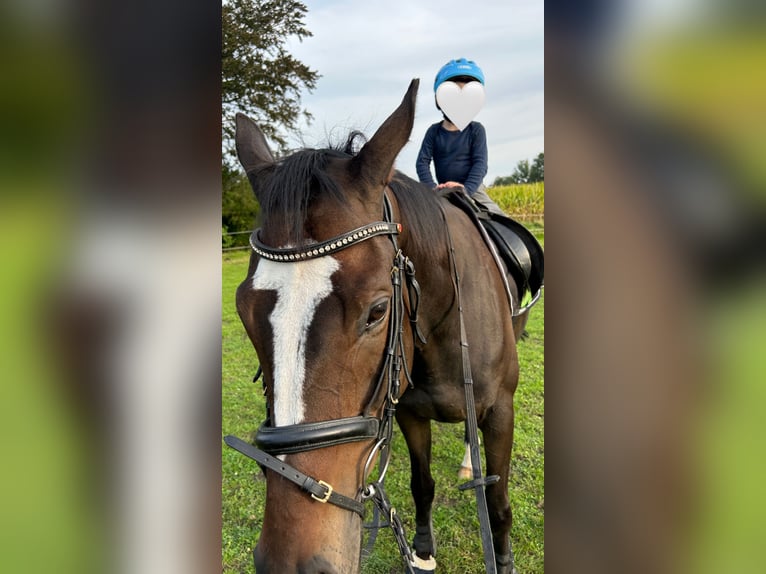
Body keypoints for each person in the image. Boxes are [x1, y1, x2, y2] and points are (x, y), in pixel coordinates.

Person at [416, 58, 505, 216]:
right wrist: (432, 189)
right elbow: (422, 162)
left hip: (472, 189)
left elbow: (480, 164)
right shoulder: (433, 132)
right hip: (442, 190)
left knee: (504, 222)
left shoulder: (476, 130)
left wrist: (466, 189)